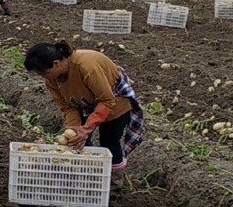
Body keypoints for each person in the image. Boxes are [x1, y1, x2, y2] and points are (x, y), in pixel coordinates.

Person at [23, 41, 144, 174]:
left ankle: (114, 181)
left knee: (110, 142)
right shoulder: (51, 79)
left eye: (43, 73)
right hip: (82, 102)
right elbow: (66, 106)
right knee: (77, 141)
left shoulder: (86, 66)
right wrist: (73, 126)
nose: (43, 78)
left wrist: (87, 128)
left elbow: (107, 100)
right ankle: (86, 174)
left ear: (56, 63)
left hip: (114, 99)